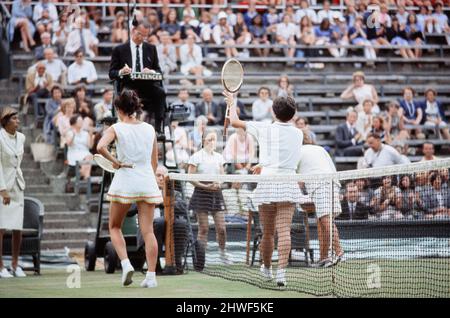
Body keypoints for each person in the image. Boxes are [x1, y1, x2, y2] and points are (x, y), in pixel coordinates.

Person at [224, 90, 306, 287]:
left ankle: (267, 269)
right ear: (293, 114)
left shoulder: (263, 128)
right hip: (287, 182)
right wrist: (265, 164)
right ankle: (281, 273)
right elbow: (284, 156)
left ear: (272, 111)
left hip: (268, 182)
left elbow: (234, 122)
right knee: (284, 230)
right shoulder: (298, 133)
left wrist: (231, 101)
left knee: (267, 232)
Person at [97, 90, 162, 288]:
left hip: (125, 179)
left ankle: (126, 264)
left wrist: (116, 162)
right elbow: (154, 162)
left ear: (118, 109)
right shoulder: (150, 129)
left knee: (114, 227)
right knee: (148, 231)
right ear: (135, 108)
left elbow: (100, 147)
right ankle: (151, 277)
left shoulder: (116, 127)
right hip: (146, 180)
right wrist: (148, 180)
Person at [297, 131, 344, 268]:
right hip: (333, 183)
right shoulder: (320, 149)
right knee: (321, 220)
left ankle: (339, 252)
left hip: (320, 184)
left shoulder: (297, 152)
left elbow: (296, 180)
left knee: (325, 219)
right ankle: (324, 257)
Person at [109, 22, 166, 135]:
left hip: (148, 85)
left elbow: (159, 71)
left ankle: (159, 128)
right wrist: (122, 71)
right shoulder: (119, 49)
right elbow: (111, 73)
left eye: (145, 35)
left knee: (160, 92)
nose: (142, 38)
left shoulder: (151, 48)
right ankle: (127, 125)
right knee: (128, 94)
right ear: (133, 31)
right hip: (129, 84)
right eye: (140, 34)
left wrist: (151, 71)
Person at [187, 130, 232, 265]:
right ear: (203, 140)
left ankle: (223, 253)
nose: (212, 142)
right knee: (204, 228)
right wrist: (205, 186)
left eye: (214, 139)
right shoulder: (196, 157)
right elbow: (190, 178)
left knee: (222, 228)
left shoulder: (219, 157)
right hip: (201, 193)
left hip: (216, 193)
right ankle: (202, 258)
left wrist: (219, 183)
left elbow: (222, 176)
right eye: (209, 139)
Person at [0, 107, 27, 278]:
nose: (18, 121)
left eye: (18, 118)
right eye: (14, 119)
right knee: (1, 228)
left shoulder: (22, 138)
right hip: (4, 187)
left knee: (18, 228)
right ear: (6, 121)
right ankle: (1, 266)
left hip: (18, 185)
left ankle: (15, 265)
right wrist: (2, 190)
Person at [66, 114, 94, 179]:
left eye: (82, 121)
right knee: (89, 157)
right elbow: (69, 144)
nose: (82, 123)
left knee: (89, 156)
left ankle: (82, 174)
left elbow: (90, 146)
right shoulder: (69, 132)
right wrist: (73, 134)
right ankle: (85, 176)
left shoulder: (85, 133)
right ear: (74, 123)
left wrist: (90, 135)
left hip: (85, 153)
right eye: (80, 121)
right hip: (74, 153)